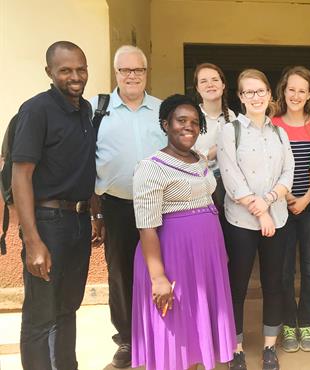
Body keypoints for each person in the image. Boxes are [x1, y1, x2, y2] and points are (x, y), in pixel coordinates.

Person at [131, 94, 237, 370]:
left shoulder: (199, 160)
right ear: (166, 124)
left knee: (198, 327)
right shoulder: (151, 168)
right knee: (177, 328)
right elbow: (147, 227)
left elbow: (209, 205)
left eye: (194, 122)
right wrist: (158, 278)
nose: (188, 127)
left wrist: (219, 251)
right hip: (172, 257)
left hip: (204, 255)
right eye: (181, 121)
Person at [12, 41, 96, 369]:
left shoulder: (85, 110)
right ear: (50, 72)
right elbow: (21, 176)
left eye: (80, 69)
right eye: (65, 70)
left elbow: (82, 166)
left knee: (67, 308)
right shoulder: (36, 110)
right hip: (46, 222)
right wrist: (32, 240)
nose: (75, 76)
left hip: (77, 222)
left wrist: (95, 211)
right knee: (41, 315)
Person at [90, 45, 166, 368]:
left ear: (147, 73)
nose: (132, 76)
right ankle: (127, 339)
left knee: (160, 271)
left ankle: (159, 334)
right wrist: (94, 209)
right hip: (117, 206)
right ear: (116, 73)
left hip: (161, 206)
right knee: (120, 273)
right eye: (125, 70)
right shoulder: (96, 109)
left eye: (138, 70)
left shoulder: (162, 110)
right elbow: (85, 160)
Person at [217, 69, 294, 370]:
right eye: (248, 92)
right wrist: (260, 210)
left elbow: (289, 172)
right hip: (241, 222)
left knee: (273, 283)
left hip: (278, 219)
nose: (256, 97)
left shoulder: (279, 132)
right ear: (240, 97)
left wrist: (270, 201)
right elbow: (231, 177)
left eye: (260, 90)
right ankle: (236, 348)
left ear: (269, 94)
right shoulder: (230, 130)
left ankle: (269, 347)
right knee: (237, 284)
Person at [272, 66, 310, 353]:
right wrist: (285, 197)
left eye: (302, 90)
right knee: (283, 271)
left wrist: (306, 198)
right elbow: (270, 168)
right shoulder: (273, 124)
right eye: (291, 89)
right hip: (280, 207)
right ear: (283, 90)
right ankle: (288, 323)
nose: (296, 95)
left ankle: (305, 321)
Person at [193, 63, 236, 215]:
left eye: (215, 80)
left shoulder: (231, 116)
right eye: (203, 81)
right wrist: (218, 149)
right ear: (197, 88)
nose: (210, 85)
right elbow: (186, 156)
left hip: (229, 188)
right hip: (199, 187)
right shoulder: (190, 117)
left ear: (223, 84)